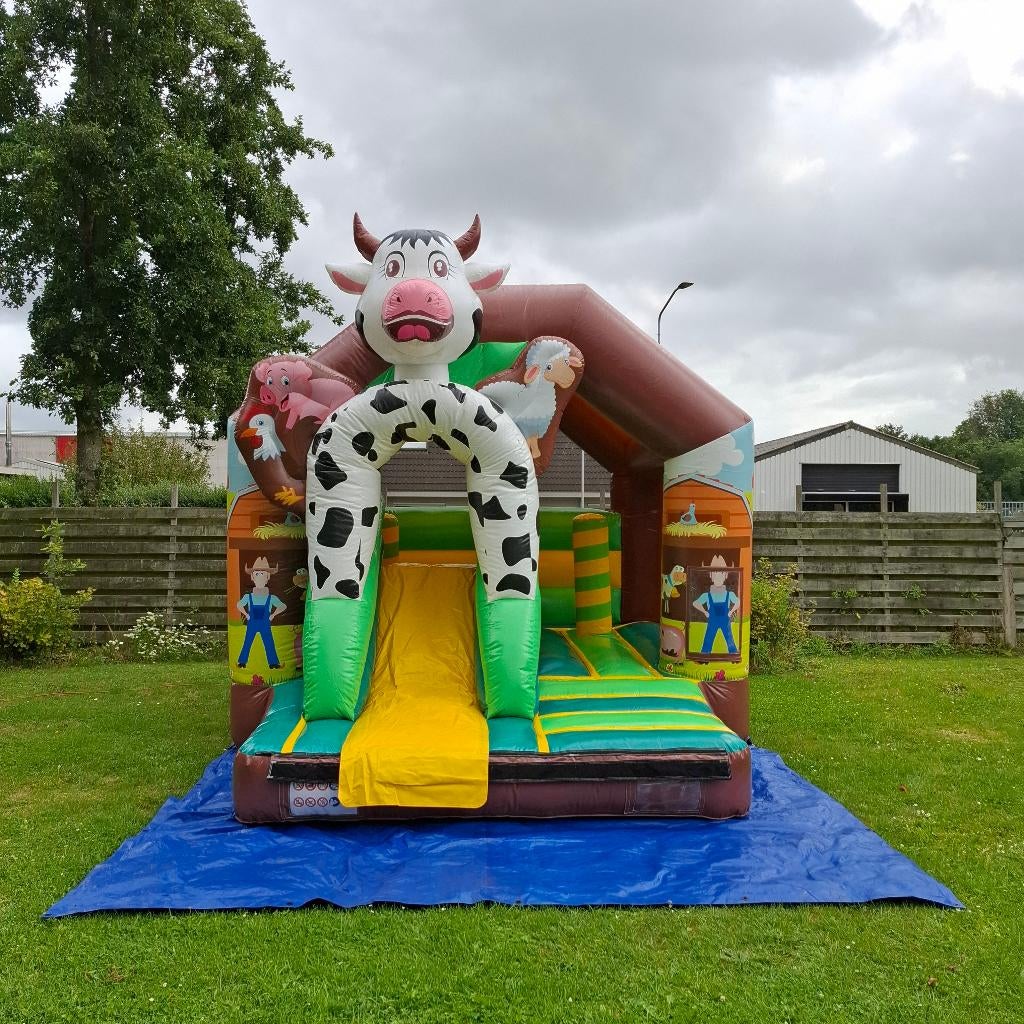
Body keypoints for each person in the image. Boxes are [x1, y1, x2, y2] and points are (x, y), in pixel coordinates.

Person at [237, 556, 286, 668]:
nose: (260, 577)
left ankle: (273, 663)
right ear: (252, 577)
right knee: (247, 642)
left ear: (267, 577)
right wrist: (246, 614)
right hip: (252, 623)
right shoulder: (248, 596)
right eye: (257, 574)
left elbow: (283, 606)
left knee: (269, 642)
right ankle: (242, 662)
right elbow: (239, 605)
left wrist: (273, 615)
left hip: (265, 623)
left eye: (263, 574)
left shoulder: (271, 597)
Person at [693, 554, 739, 655]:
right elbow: (695, 603)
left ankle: (733, 655)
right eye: (715, 574)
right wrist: (705, 612)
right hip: (712, 621)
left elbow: (738, 602)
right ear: (710, 575)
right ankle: (705, 656)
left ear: (726, 575)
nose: (718, 577)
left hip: (725, 620)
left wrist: (731, 611)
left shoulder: (729, 594)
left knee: (729, 638)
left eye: (721, 574)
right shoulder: (707, 595)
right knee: (708, 638)